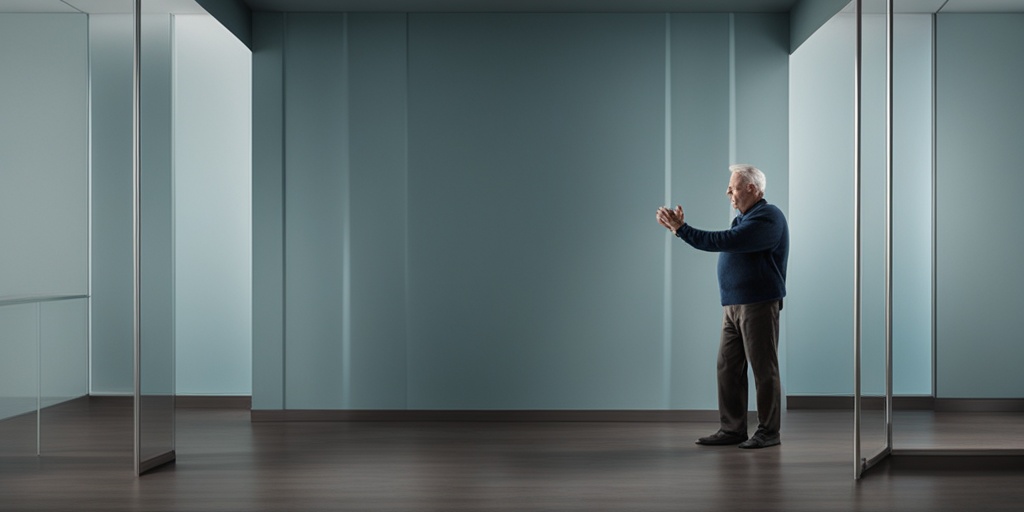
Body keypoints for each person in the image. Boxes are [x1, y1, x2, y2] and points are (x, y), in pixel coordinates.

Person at [655, 164, 789, 449]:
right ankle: (732, 429)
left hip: (758, 303)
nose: (728, 192)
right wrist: (680, 230)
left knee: (764, 370)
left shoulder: (768, 216)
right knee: (727, 367)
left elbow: (724, 242)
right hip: (732, 305)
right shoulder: (742, 219)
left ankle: (769, 432)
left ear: (752, 188)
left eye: (734, 186)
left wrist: (682, 230)